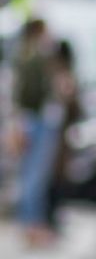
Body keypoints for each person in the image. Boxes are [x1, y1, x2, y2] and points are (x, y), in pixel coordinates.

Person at [10, 17, 63, 247]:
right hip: (37, 121)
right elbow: (30, 95)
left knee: (32, 175)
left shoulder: (27, 57)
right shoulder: (33, 59)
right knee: (34, 176)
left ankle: (32, 224)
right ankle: (33, 225)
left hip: (34, 120)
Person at [46, 39, 82, 231]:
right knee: (56, 177)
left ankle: (54, 216)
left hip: (62, 137)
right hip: (57, 138)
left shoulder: (59, 74)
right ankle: (51, 217)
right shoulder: (61, 76)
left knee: (58, 177)